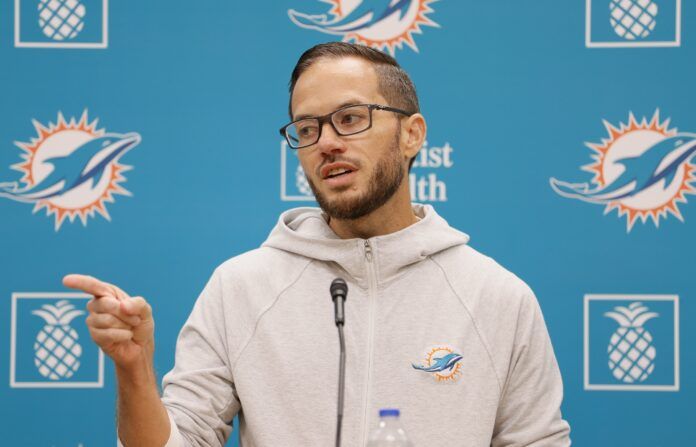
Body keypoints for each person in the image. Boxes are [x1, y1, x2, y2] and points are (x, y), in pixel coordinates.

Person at [64, 42, 571, 446]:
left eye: (351, 118)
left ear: (412, 134)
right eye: (307, 128)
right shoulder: (240, 287)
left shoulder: (498, 297)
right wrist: (134, 371)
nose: (327, 141)